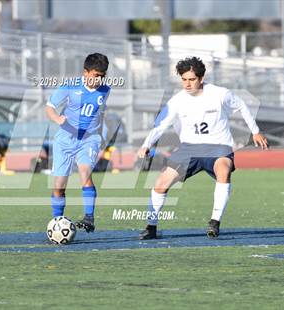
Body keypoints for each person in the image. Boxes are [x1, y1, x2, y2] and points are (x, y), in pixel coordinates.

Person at [137, 56, 268, 239]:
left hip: (218, 148)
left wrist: (255, 131)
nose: (187, 84)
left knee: (223, 170)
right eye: (184, 79)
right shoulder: (176, 101)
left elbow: (242, 106)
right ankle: (151, 227)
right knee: (160, 184)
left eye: (192, 79)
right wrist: (146, 144)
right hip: (189, 149)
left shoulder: (220, 94)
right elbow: (160, 125)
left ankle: (214, 222)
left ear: (201, 77)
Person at [45, 53, 110, 232]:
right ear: (85, 72)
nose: (99, 80)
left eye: (102, 76)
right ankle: (58, 223)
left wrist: (101, 135)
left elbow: (100, 113)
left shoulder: (106, 90)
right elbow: (49, 107)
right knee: (59, 186)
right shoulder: (69, 87)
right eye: (96, 75)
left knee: (84, 172)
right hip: (65, 139)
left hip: (89, 139)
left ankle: (89, 218)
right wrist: (58, 119)